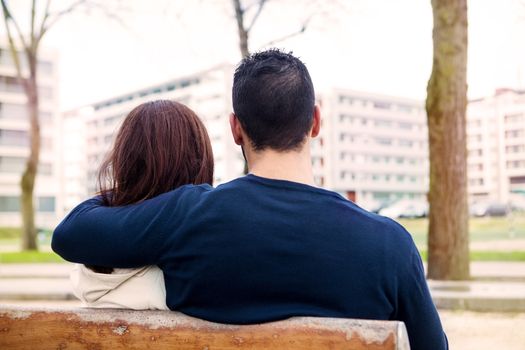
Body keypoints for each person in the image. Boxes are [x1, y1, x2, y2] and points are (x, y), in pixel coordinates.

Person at [53, 49, 447, 350]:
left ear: (235, 129)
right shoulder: (390, 244)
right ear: (315, 122)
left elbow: (71, 235)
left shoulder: (189, 215)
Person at [68, 100, 214, 310]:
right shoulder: (191, 275)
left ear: (123, 162)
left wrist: (126, 192)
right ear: (200, 161)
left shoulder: (89, 266)